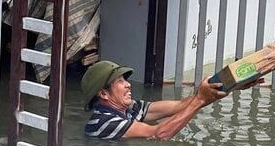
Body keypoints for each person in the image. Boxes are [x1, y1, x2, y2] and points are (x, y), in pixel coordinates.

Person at [81, 60, 227, 140]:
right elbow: (159, 133)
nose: (128, 84)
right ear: (104, 94)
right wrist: (201, 99)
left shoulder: (130, 107)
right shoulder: (104, 123)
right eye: (120, 81)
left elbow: (181, 106)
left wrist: (226, 86)